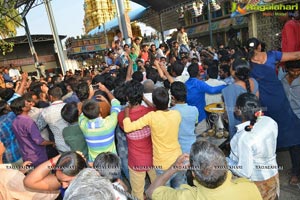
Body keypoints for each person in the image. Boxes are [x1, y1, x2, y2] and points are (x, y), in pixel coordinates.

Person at [246, 37, 300, 185]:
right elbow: (296, 55)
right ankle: (272, 170)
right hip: (267, 103)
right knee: (270, 136)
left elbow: (296, 56)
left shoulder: (269, 56)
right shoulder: (267, 57)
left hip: (274, 102)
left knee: (291, 133)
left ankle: (295, 170)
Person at [145, 141, 262, 200]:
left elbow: (150, 192)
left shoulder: (186, 196)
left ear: (194, 175)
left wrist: (174, 168)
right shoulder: (249, 187)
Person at [123, 87, 183, 188]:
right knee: (179, 190)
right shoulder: (177, 114)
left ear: (154, 102)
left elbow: (128, 128)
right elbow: (158, 109)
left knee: (164, 194)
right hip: (178, 158)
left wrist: (126, 113)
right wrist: (146, 100)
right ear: (169, 99)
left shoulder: (151, 117)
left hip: (162, 163)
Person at [227, 93, 279, 200]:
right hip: (273, 174)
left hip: (257, 182)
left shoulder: (244, 137)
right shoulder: (270, 121)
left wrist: (226, 160)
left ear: (239, 111)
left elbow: (245, 172)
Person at [118, 80, 156, 200]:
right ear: (141, 95)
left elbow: (124, 126)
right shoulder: (150, 112)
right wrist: (144, 99)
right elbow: (156, 109)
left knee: (137, 193)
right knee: (159, 188)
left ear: (127, 97)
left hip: (136, 161)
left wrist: (127, 112)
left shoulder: (122, 116)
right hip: (154, 157)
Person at [79, 83, 121, 162]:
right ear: (100, 111)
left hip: (95, 163)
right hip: (112, 162)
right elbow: (116, 104)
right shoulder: (109, 124)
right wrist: (106, 90)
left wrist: (90, 95)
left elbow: (82, 112)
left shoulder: (83, 124)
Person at [10, 97, 54, 167]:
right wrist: (52, 143)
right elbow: (39, 141)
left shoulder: (14, 122)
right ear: (23, 108)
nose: (30, 103)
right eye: (27, 103)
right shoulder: (28, 122)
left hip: (26, 155)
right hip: (37, 156)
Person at [185, 63, 226, 134]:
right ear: (198, 72)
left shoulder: (185, 84)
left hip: (189, 116)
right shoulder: (199, 83)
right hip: (200, 116)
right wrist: (226, 86)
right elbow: (212, 90)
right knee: (201, 137)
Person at [222, 59, 259, 137]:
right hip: (255, 123)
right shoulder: (254, 82)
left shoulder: (229, 89)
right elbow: (257, 103)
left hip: (240, 128)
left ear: (233, 72)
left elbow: (229, 114)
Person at [281, 60, 300, 185]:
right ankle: (295, 172)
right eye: (293, 70)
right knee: (294, 147)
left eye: (298, 70)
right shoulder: (282, 81)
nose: (296, 73)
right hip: (289, 117)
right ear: (287, 69)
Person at [36, 87, 70, 153]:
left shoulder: (45, 112)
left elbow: (38, 127)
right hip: (75, 142)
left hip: (61, 145)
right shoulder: (69, 106)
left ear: (50, 97)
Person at [170, 82, 198, 154]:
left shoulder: (170, 112)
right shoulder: (194, 109)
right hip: (192, 147)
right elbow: (195, 125)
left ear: (172, 97)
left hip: (178, 150)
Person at [0, 100, 22, 166]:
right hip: (20, 152)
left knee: (14, 175)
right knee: (28, 173)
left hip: (6, 159)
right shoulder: (11, 116)